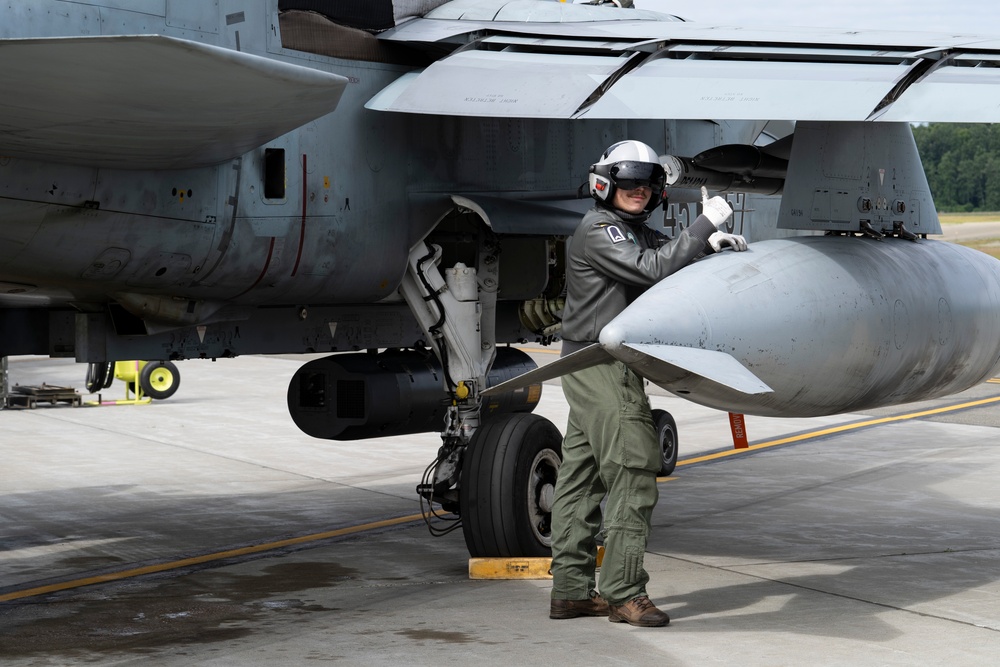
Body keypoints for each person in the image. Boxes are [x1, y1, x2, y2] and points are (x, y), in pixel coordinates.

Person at [548, 139, 747, 627]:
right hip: (602, 366)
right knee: (634, 472)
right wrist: (705, 224)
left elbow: (660, 254)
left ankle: (571, 591)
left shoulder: (628, 229)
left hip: (587, 363)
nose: (638, 190)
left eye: (647, 183)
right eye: (629, 181)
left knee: (581, 478)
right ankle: (623, 593)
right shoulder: (601, 229)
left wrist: (706, 248)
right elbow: (651, 268)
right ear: (607, 183)